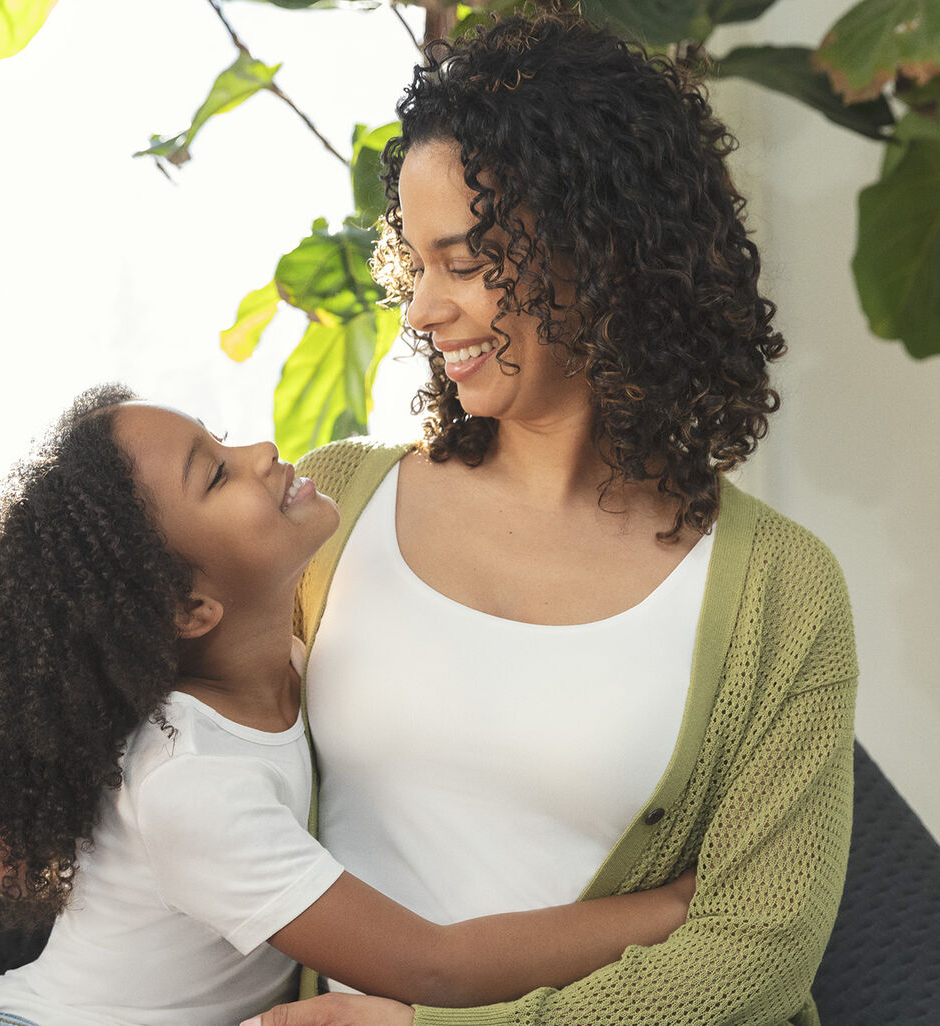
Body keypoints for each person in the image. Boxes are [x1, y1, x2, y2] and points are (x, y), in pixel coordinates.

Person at [255, 12, 858, 1026]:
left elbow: (758, 952)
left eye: (467, 260)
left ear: (602, 248)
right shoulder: (329, 507)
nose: (421, 308)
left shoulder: (776, 589)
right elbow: (181, 759)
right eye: (417, 261)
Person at [0, 384, 699, 1026]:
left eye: (221, 438)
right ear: (188, 610)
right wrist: (672, 909)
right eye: (214, 474)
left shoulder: (306, 662)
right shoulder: (195, 785)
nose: (260, 453)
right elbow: (432, 965)